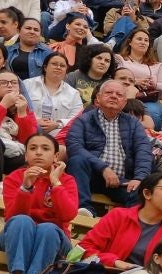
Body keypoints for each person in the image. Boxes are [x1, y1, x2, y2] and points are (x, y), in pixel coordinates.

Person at [0, 132, 78, 274]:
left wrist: (55, 183)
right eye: (33, 148)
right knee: (22, 221)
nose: (38, 152)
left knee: (47, 229)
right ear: (26, 156)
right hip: (17, 234)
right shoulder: (15, 177)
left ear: (56, 156)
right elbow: (11, 218)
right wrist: (26, 187)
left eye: (45, 148)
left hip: (54, 239)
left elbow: (68, 215)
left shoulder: (67, 180)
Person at [66, 78, 154, 211]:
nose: (114, 96)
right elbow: (74, 147)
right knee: (77, 160)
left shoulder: (133, 123)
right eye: (109, 93)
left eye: (119, 95)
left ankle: (127, 223)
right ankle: (83, 209)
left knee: (142, 193)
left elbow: (144, 151)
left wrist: (140, 178)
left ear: (124, 102)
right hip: (90, 176)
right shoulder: (83, 120)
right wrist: (103, 168)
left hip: (122, 181)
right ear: (98, 98)